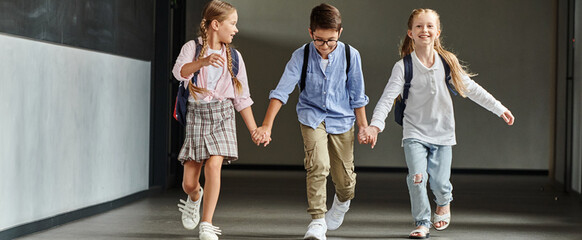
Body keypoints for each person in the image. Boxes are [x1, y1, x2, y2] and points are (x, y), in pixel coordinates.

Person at [362, 8, 515, 239]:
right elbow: (386, 99)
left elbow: (471, 89)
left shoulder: (447, 62)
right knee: (417, 177)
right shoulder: (403, 66)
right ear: (410, 33)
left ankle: (444, 201)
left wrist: (499, 107)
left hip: (442, 133)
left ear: (438, 32)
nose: (425, 30)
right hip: (414, 131)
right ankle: (422, 221)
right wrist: (375, 125)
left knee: (441, 182)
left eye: (430, 26)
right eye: (419, 26)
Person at [252, 3, 370, 240]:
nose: (325, 46)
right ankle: (317, 221)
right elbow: (281, 91)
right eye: (319, 40)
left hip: (342, 118)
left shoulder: (350, 55)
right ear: (310, 33)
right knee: (317, 164)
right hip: (312, 116)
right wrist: (266, 125)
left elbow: (357, 95)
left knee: (345, 181)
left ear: (340, 32)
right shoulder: (301, 55)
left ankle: (342, 201)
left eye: (331, 40)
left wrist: (364, 126)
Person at [171, 1, 259, 239]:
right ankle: (194, 198)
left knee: (214, 165)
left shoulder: (235, 57)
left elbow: (242, 98)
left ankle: (207, 223)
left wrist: (254, 129)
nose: (236, 29)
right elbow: (179, 72)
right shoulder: (192, 47)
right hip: (197, 115)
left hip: (223, 114)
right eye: (233, 23)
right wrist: (203, 62)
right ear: (215, 24)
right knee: (189, 182)